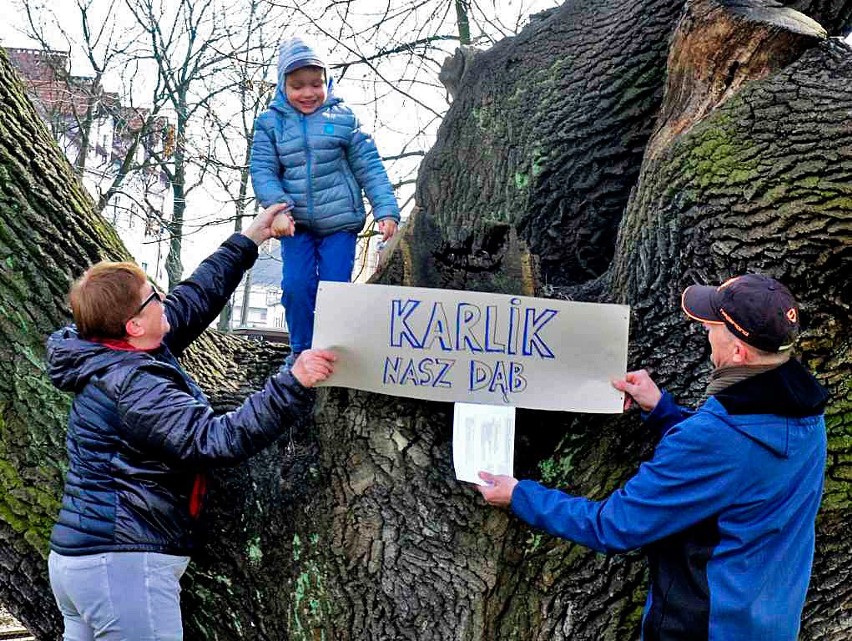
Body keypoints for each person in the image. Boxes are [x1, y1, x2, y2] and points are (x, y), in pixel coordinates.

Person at [477, 274, 828, 641]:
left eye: (712, 327)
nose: (706, 333)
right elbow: (739, 468)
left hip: (702, 629)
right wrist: (663, 411)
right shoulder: (807, 415)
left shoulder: (715, 439)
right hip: (772, 624)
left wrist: (520, 496)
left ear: (738, 352)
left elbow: (613, 526)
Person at [45, 204, 337, 641]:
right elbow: (214, 439)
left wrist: (251, 238)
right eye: (152, 298)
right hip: (122, 566)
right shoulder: (132, 384)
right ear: (134, 324)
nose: (163, 299)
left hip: (85, 563)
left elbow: (194, 298)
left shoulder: (116, 349)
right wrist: (292, 383)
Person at [250, 36, 401, 360]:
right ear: (282, 85)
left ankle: (333, 351)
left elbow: (370, 167)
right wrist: (277, 210)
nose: (307, 93)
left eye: (315, 84)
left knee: (335, 290)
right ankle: (301, 352)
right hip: (295, 224)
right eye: (297, 86)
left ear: (327, 81)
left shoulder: (343, 119)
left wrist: (386, 209)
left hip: (339, 224)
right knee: (296, 286)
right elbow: (263, 170)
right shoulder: (270, 123)